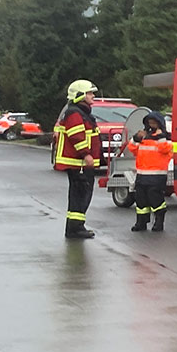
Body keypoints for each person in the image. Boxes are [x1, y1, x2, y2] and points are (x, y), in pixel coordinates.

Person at [53, 80, 102, 239]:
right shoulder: (75, 113)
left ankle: (74, 227)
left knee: (79, 194)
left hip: (80, 163)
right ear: (80, 95)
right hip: (79, 163)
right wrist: (86, 154)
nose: (93, 96)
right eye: (90, 93)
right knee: (81, 194)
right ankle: (76, 228)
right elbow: (76, 136)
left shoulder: (79, 112)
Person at [130, 112, 175, 233]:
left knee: (156, 200)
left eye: (154, 122)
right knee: (141, 201)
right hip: (141, 175)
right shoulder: (145, 135)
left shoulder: (166, 137)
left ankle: (159, 222)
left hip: (157, 175)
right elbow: (132, 148)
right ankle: (141, 223)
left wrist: (160, 136)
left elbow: (165, 149)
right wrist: (136, 138)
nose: (151, 124)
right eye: (150, 122)